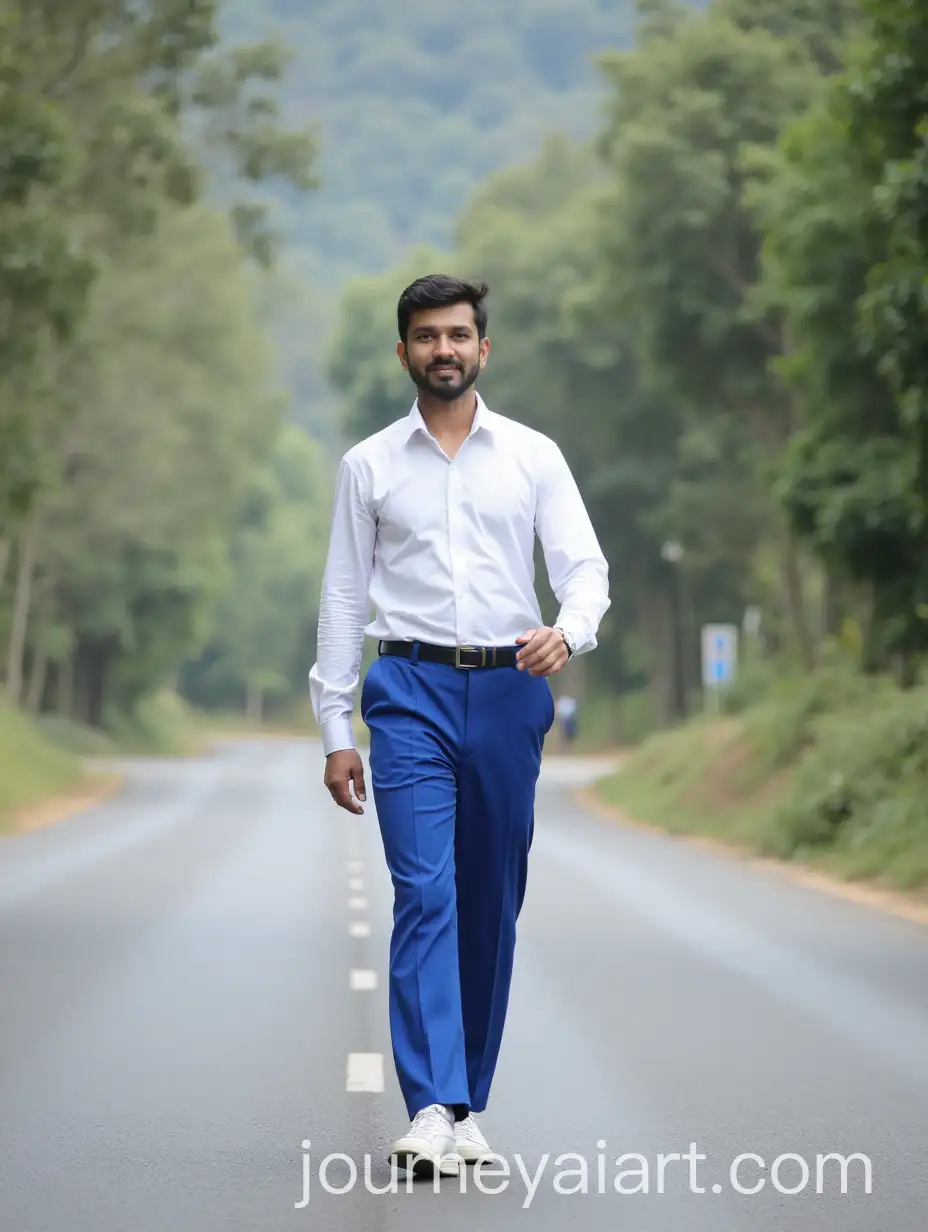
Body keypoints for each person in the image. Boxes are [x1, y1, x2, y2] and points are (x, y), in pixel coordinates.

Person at [309, 274, 610, 1177]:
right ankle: (431, 1104)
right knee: (426, 891)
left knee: (490, 899)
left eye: (459, 335)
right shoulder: (369, 464)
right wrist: (335, 727)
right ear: (402, 351)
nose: (444, 349)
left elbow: (584, 566)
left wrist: (570, 629)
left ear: (484, 348)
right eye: (426, 336)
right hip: (408, 690)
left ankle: (467, 1099)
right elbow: (342, 596)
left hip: (513, 686)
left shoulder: (532, 456)